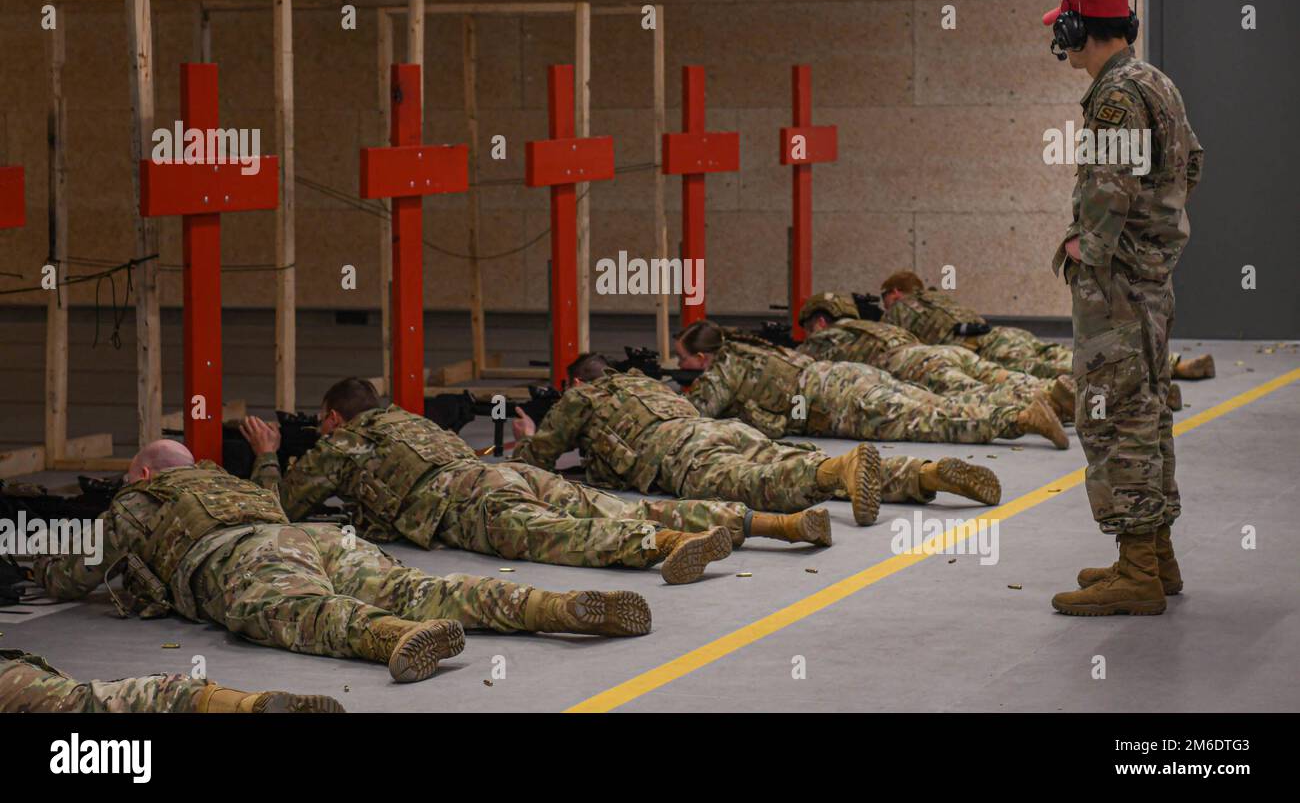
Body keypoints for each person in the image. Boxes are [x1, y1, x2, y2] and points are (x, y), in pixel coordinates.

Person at [32, 440, 652, 686]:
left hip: (244, 555)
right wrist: (268, 455)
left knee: (300, 612)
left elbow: (73, 574)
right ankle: (553, 607)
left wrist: (28, 560)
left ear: (143, 473)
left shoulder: (139, 500)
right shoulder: (229, 482)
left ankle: (396, 639)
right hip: (314, 538)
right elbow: (277, 498)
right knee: (418, 585)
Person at [241, 377, 750, 585]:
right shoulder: (408, 420)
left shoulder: (342, 445)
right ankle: (751, 520)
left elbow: (276, 510)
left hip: (465, 504)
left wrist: (266, 456)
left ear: (332, 418)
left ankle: (669, 543)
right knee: (611, 506)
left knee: (561, 538)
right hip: (502, 473)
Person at [1039, 0, 1203, 616]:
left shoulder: (1114, 97)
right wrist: (1156, 234)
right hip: (1150, 279)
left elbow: (1107, 188)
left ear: (1080, 29)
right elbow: (1192, 164)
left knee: (1114, 417)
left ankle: (1137, 573)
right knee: (1149, 409)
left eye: (1064, 24)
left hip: (1117, 286)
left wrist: (1088, 248)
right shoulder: (1155, 82)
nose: (1060, 35)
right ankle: (1155, 557)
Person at [512, 353, 1005, 529]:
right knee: (781, 457)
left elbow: (535, 463)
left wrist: (527, 435)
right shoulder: (645, 383)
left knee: (759, 484)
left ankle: (837, 471)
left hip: (680, 454)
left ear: (577, 383)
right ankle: (923, 474)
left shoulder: (582, 399)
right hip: (721, 430)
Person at [674, 320, 1069, 450]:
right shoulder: (746, 349)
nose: (681, 365)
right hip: (849, 376)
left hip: (840, 401)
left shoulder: (723, 368)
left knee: (929, 420)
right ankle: (1045, 398)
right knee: (936, 401)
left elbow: (694, 416)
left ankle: (1019, 417)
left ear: (704, 359)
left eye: (683, 360)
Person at [878, 270, 1215, 385]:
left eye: (886, 300)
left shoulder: (903, 309)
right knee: (1068, 353)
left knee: (1052, 368)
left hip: (980, 348)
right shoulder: (938, 298)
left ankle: (1137, 382)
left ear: (895, 293)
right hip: (1001, 333)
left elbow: (897, 342)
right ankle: (1170, 366)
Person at [795, 291, 1076, 421]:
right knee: (1000, 375)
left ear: (819, 323)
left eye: (808, 328)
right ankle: (1054, 390)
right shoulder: (873, 325)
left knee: (976, 392)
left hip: (916, 363)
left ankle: (1049, 404)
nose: (810, 333)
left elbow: (805, 371)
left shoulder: (822, 339)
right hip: (941, 351)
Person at [0, 650, 344, 713]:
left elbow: (68, 576)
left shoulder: (140, 500)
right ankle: (241, 704)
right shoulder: (236, 488)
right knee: (84, 703)